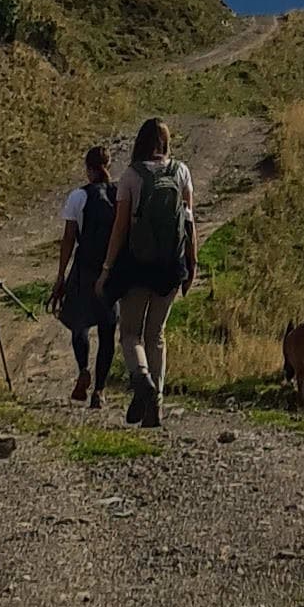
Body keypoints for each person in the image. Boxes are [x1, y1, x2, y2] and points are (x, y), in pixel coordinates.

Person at [96, 113, 197, 426]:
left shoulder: (131, 176)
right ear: (166, 143)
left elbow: (120, 228)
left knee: (130, 334)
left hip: (137, 266)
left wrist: (107, 268)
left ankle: (142, 381)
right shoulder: (181, 172)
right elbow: (190, 222)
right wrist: (192, 264)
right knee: (157, 336)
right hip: (171, 266)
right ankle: (158, 404)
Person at [53, 141, 118, 407]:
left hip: (83, 270)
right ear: (108, 166)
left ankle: (83, 370)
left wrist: (60, 276)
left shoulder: (78, 197)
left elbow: (69, 239)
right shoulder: (119, 195)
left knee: (79, 324)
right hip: (111, 271)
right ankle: (100, 390)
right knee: (107, 330)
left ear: (88, 169)